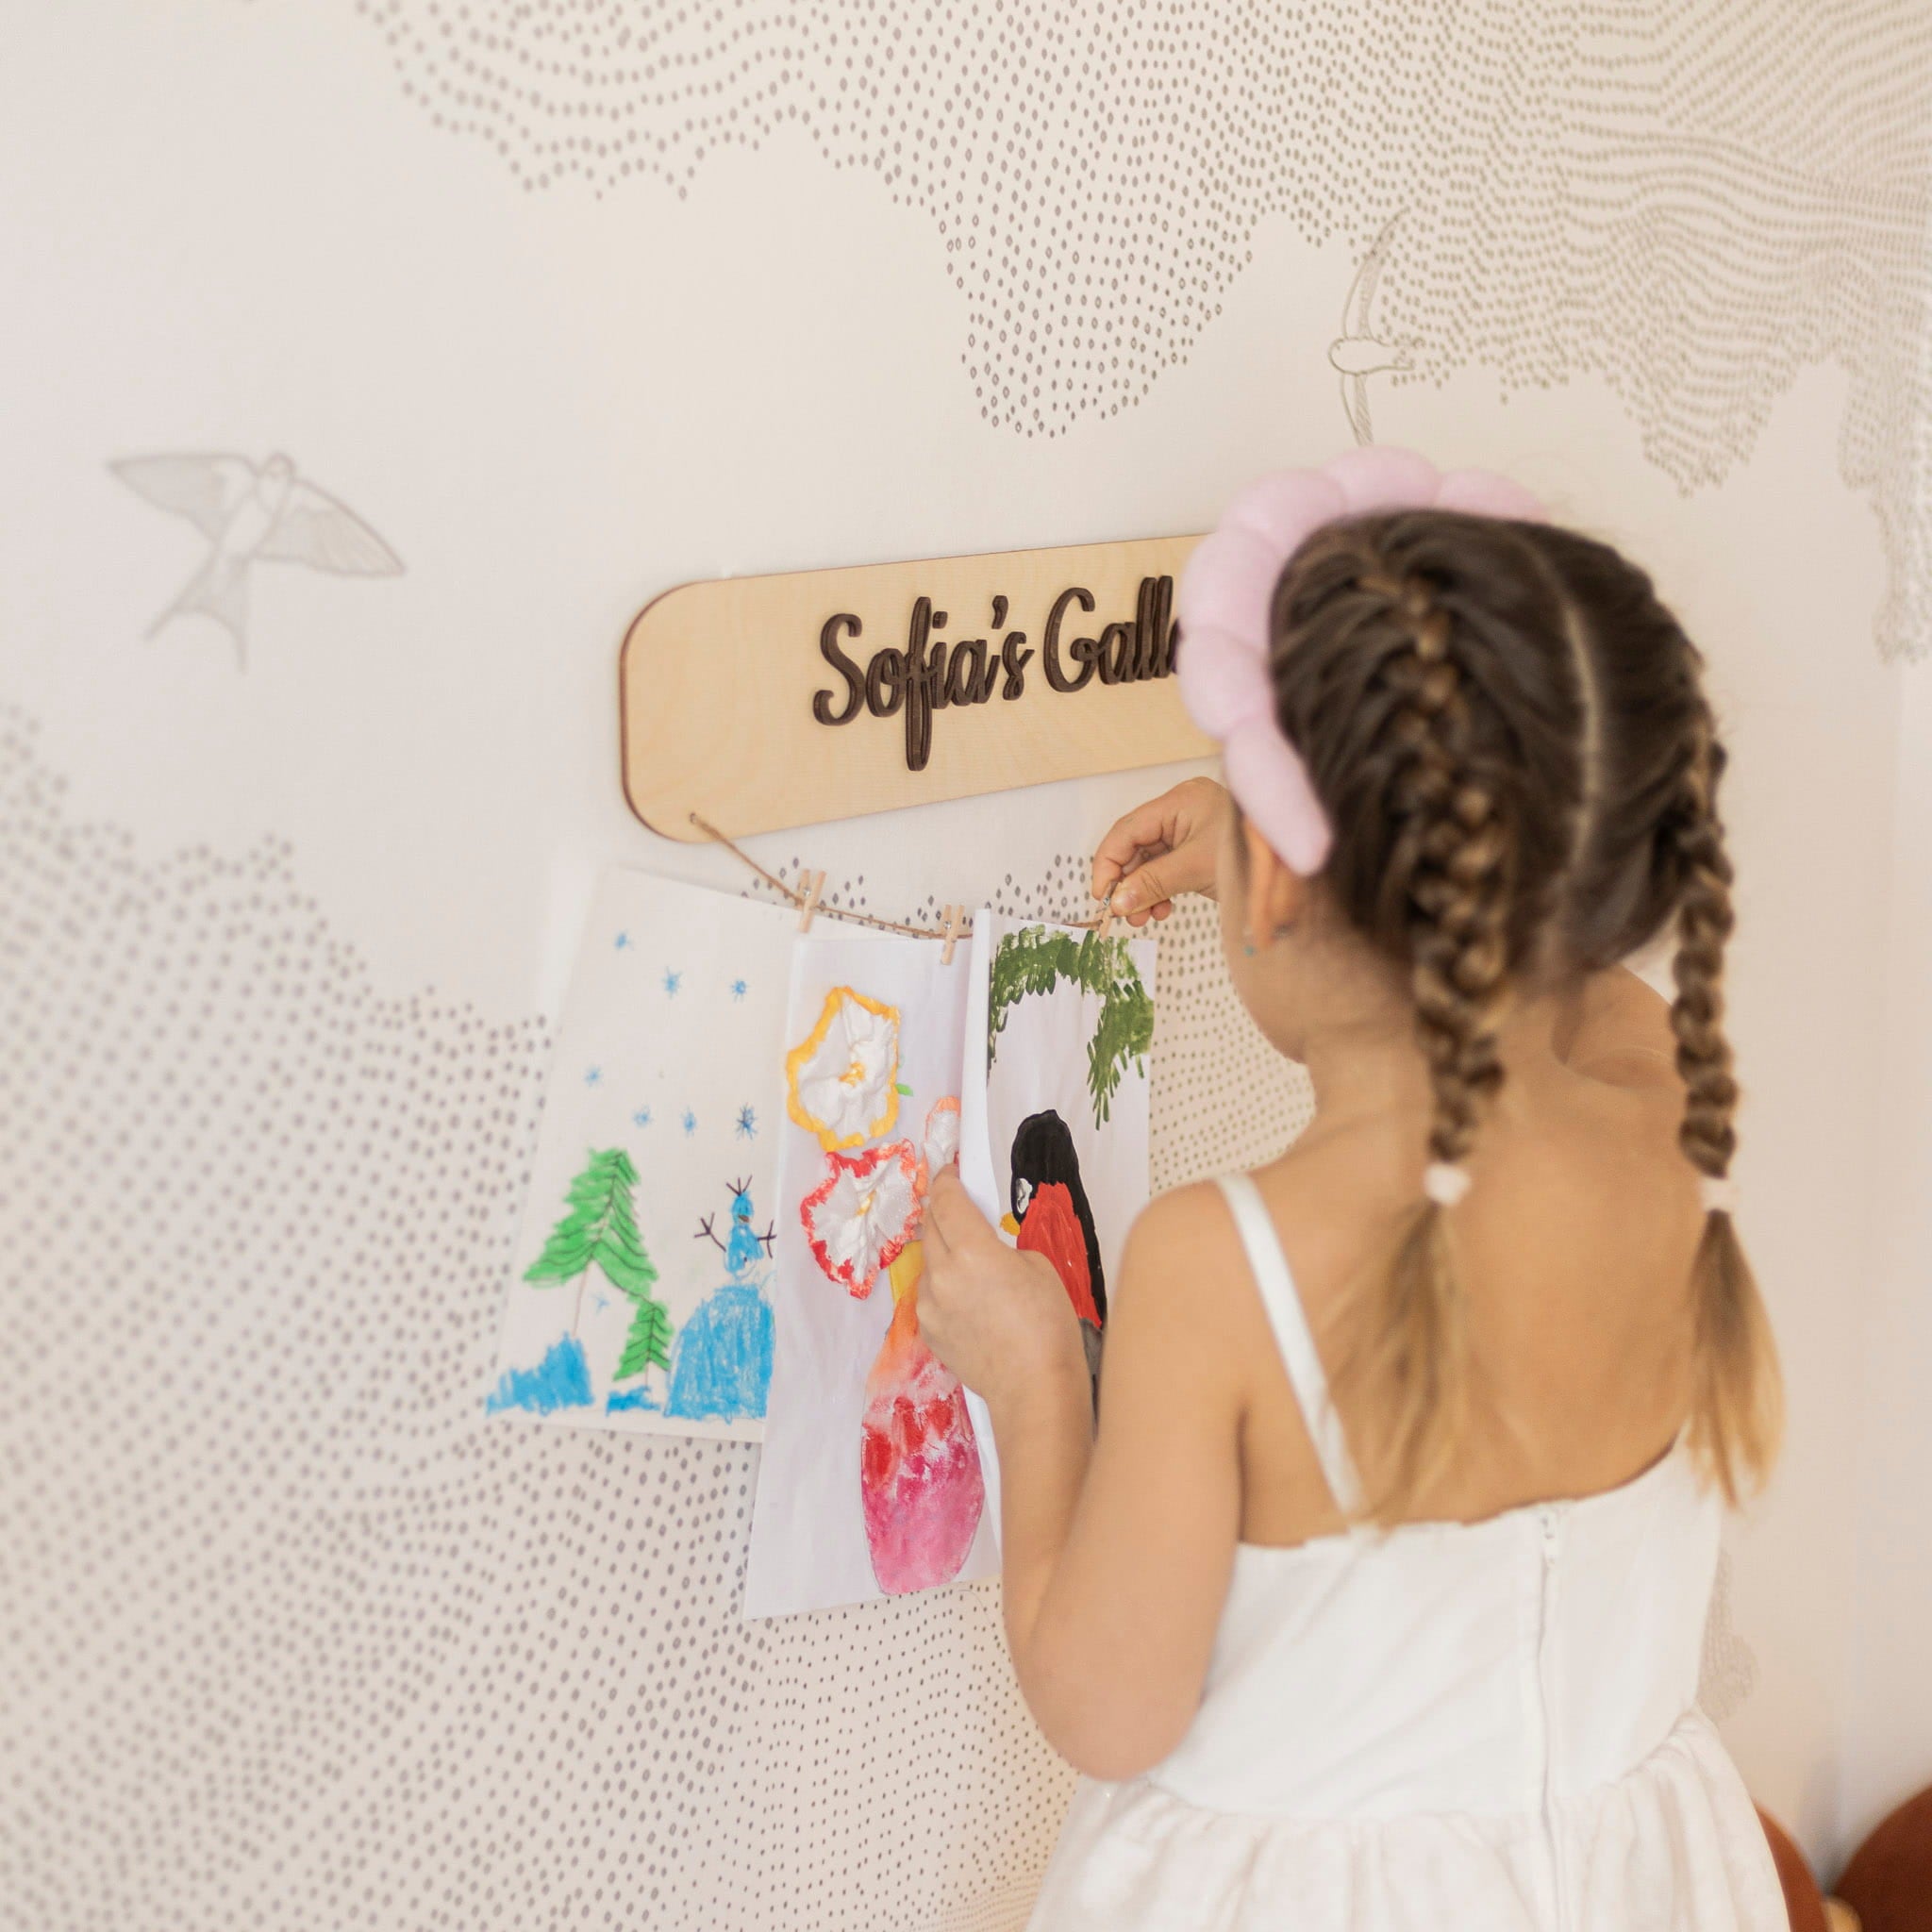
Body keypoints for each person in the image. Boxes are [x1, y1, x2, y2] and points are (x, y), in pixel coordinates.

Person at [917, 447, 1788, 1930]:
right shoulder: (1664, 1104)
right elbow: (1566, 994)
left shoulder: (1222, 1265)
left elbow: (1107, 1707)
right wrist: (1283, 854)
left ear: (1280, 882)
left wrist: (1037, 1383)